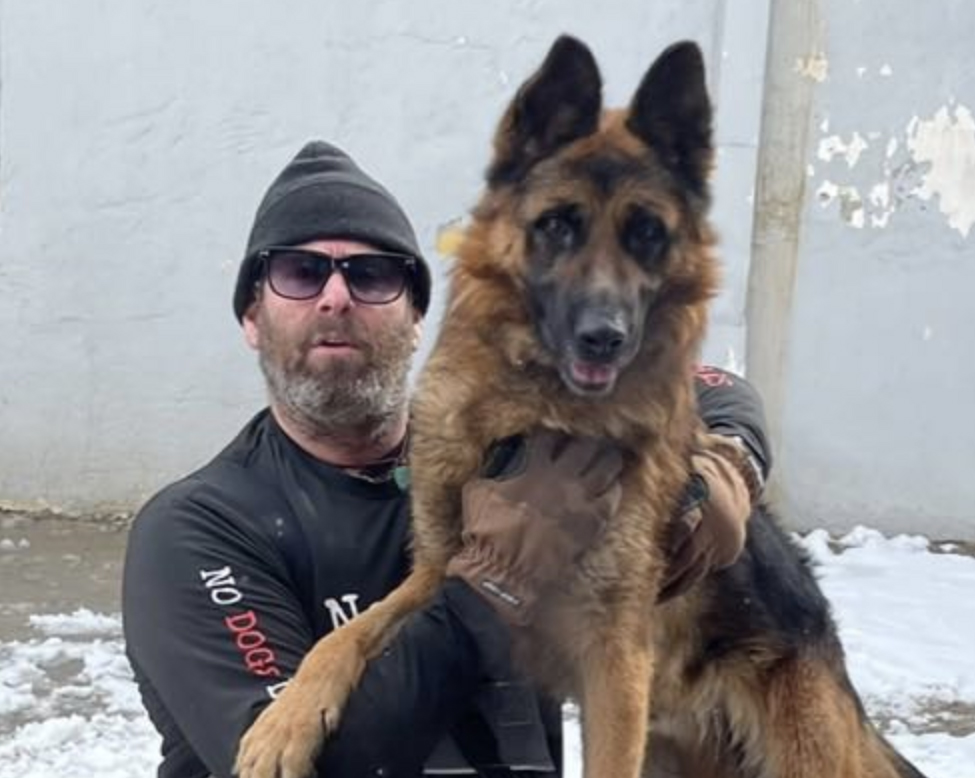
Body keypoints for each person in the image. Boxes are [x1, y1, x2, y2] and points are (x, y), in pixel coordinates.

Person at [121, 140, 772, 778]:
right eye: (300, 272)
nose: (336, 298)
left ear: (415, 318)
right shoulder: (198, 530)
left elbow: (709, 385)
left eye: (372, 275)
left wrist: (723, 470)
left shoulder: (497, 451)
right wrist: (498, 578)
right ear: (252, 318)